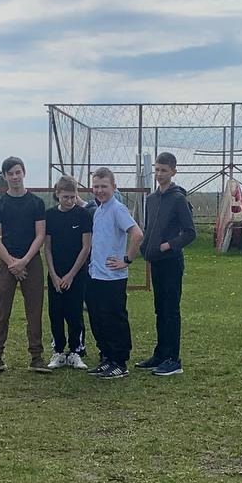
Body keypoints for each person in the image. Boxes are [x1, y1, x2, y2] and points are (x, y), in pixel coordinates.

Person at [0, 156, 51, 373]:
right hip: (7, 261)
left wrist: (24, 261)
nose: (15, 177)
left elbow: (40, 235)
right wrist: (11, 263)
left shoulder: (36, 203)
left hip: (31, 261)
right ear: (4, 177)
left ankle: (36, 357)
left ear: (24, 173)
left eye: (18, 172)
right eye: (10, 174)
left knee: (34, 310)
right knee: (1, 309)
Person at [137, 151, 196, 375]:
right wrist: (146, 246)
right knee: (160, 309)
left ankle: (173, 359)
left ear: (173, 172)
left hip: (171, 261)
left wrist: (168, 245)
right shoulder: (151, 199)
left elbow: (190, 233)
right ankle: (160, 354)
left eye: (164, 170)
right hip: (156, 262)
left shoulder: (178, 199)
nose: (159, 174)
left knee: (171, 309)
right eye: (157, 170)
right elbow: (149, 228)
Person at [86, 167, 143, 380]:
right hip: (96, 275)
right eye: (96, 186)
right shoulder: (99, 209)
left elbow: (137, 234)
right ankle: (107, 357)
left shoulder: (118, 209)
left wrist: (127, 259)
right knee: (98, 318)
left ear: (114, 187)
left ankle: (120, 361)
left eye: (104, 186)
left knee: (114, 319)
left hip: (112, 277)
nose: (100, 190)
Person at [44, 176, 92, 369]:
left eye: (73, 197)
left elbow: (86, 247)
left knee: (75, 312)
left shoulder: (83, 215)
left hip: (77, 273)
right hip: (56, 273)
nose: (70, 200)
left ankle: (76, 351)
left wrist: (71, 275)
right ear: (57, 194)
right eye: (66, 197)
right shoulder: (50, 215)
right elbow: (47, 247)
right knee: (56, 312)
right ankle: (58, 351)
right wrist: (54, 275)